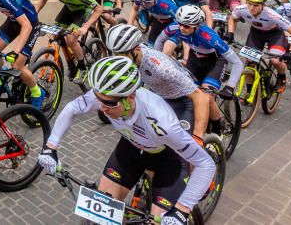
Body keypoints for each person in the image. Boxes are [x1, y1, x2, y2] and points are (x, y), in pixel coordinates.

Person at [38, 56, 216, 225]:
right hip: (131, 149)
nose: (101, 108)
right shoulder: (108, 95)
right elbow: (72, 108)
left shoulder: (163, 123)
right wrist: (50, 148)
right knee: (101, 215)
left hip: (167, 160)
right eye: (99, 99)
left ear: (131, 97)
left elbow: (206, 164)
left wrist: (182, 209)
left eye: (108, 103)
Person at [105, 23, 212, 141]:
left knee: (183, 144)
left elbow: (200, 97)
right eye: (115, 53)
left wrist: (198, 136)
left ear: (137, 49)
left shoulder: (162, 69)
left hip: (183, 99)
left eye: (123, 54)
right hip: (160, 94)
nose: (119, 59)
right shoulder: (131, 58)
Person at [35, 0, 108, 82]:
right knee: (55, 33)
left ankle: (83, 68)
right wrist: (34, 15)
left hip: (82, 11)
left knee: (71, 38)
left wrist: (85, 27)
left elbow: (99, 9)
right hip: (69, 9)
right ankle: (71, 60)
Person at [227, 0, 291, 90]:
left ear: (263, 5)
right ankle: (250, 90)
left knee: (275, 61)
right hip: (256, 34)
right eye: (249, 3)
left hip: (275, 35)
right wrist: (230, 32)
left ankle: (282, 77)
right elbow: (232, 18)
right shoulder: (241, 9)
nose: (251, 8)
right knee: (250, 63)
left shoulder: (272, 15)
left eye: (256, 5)